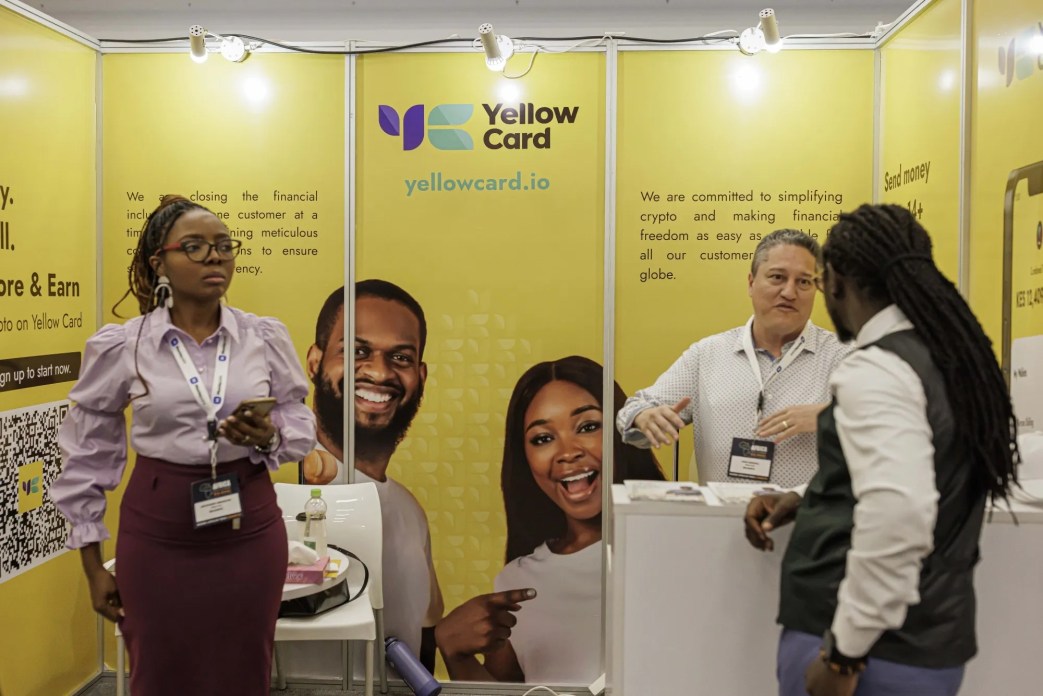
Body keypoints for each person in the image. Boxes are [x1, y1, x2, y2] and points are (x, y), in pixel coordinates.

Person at [743, 204, 1021, 696]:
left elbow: (900, 510)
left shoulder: (876, 368)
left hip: (869, 655)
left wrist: (843, 657)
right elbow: (928, 475)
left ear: (836, 282)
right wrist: (810, 499)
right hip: (929, 647)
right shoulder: (956, 361)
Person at [49, 195, 315, 696]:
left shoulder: (261, 337)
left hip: (248, 533)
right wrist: (91, 567)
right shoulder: (123, 346)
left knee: (243, 672)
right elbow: (87, 457)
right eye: (193, 246)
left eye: (222, 245)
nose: (214, 257)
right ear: (159, 262)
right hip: (158, 537)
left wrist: (270, 436)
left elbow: (297, 418)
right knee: (159, 672)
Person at [435, 355, 664, 684]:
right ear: (525, 459)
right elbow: (503, 692)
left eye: (587, 426)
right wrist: (453, 651)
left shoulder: (672, 549)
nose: (567, 452)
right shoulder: (518, 580)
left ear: (622, 433)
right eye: (543, 438)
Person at [617, 229, 850, 489]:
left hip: (810, 526)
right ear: (751, 283)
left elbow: (895, 428)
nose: (789, 292)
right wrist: (645, 416)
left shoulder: (847, 357)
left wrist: (835, 416)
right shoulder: (707, 355)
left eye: (804, 282)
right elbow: (634, 409)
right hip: (722, 525)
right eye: (777, 277)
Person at [300, 281, 444, 671]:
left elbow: (423, 637)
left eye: (400, 357)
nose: (380, 373)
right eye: (357, 351)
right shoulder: (277, 485)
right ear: (315, 361)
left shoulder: (409, 510)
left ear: (421, 374)